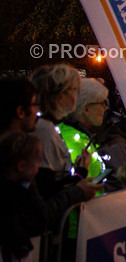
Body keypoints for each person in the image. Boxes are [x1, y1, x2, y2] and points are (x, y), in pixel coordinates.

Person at [0, 131, 100, 259]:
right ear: (21, 166)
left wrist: (80, 173)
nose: (40, 165)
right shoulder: (13, 197)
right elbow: (43, 215)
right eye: (38, 160)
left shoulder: (24, 184)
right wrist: (78, 191)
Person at [30, 65, 81, 197]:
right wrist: (80, 177)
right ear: (60, 96)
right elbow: (48, 188)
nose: (76, 95)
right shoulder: (44, 130)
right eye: (73, 89)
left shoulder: (45, 126)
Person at [57, 78, 112, 179]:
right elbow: (86, 183)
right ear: (86, 108)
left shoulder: (78, 135)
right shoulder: (76, 142)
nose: (105, 108)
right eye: (102, 103)